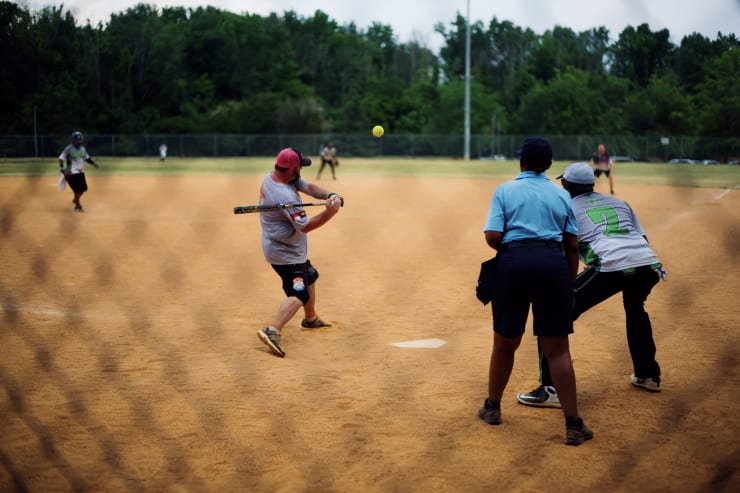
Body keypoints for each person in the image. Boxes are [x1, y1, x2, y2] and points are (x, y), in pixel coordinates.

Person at [516, 162, 665, 408]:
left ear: (566, 185)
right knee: (635, 308)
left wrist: (565, 285)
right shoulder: (619, 203)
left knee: (552, 314)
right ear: (592, 183)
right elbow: (643, 238)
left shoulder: (564, 206)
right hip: (647, 264)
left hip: (609, 265)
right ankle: (648, 374)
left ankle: (551, 388)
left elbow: (563, 248)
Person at [479, 137, 592, 446]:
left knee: (505, 343)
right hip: (553, 265)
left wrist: (515, 248)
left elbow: (492, 236)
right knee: (557, 349)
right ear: (550, 165)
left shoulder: (505, 190)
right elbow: (571, 245)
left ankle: (492, 407)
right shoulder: (561, 195)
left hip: (514, 263)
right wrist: (568, 284)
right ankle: (573, 423)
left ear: (521, 162)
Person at [257, 147, 344, 358]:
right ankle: (273, 329)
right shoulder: (284, 195)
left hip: (286, 247)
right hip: (284, 253)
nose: (300, 171)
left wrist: (330, 195)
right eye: (299, 167)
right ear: (292, 169)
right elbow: (305, 226)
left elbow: (307, 186)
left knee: (310, 275)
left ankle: (310, 319)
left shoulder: (276, 177)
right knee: (299, 293)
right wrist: (330, 211)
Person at [58, 131, 99, 212]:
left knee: (83, 189)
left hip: (81, 171)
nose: (78, 141)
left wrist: (93, 164)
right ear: (73, 140)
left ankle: (75, 199)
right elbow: (60, 159)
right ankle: (78, 206)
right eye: (76, 140)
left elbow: (86, 158)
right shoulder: (69, 148)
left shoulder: (83, 149)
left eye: (80, 140)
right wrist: (63, 168)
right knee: (77, 190)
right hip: (72, 172)